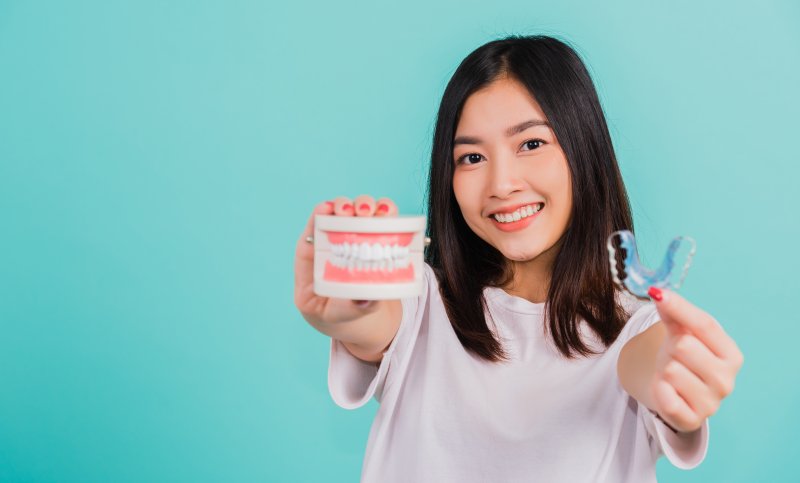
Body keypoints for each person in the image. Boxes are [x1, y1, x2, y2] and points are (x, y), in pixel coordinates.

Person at [294, 35, 743, 482]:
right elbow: (371, 323)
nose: (501, 184)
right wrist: (350, 310)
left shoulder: (634, 331)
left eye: (531, 144)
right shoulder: (421, 301)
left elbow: (646, 365)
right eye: (471, 157)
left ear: (583, 149)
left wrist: (676, 374)